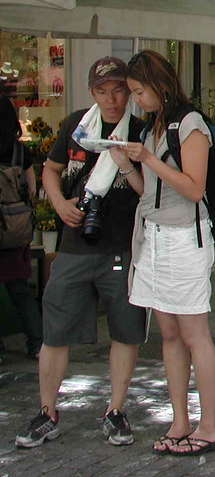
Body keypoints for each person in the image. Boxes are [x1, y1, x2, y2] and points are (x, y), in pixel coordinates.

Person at [15, 58, 146, 450]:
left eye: (119, 90)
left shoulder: (140, 132)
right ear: (91, 92)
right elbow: (50, 170)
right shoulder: (77, 124)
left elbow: (150, 191)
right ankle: (47, 411)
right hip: (73, 246)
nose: (111, 98)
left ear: (129, 91)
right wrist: (58, 204)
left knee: (125, 331)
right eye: (103, 91)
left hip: (121, 246)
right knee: (55, 331)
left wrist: (126, 166)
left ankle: (116, 410)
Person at [117, 50, 215, 456]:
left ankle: (210, 424)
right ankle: (180, 418)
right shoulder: (152, 127)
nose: (136, 100)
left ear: (160, 86)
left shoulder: (190, 123)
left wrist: (148, 159)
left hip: (185, 239)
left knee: (196, 334)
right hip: (154, 237)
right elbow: (151, 195)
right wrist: (128, 166)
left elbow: (194, 189)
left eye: (139, 91)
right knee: (170, 334)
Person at [0, 97, 42, 366]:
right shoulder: (19, 151)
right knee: (20, 290)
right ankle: (37, 343)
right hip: (15, 229)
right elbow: (32, 188)